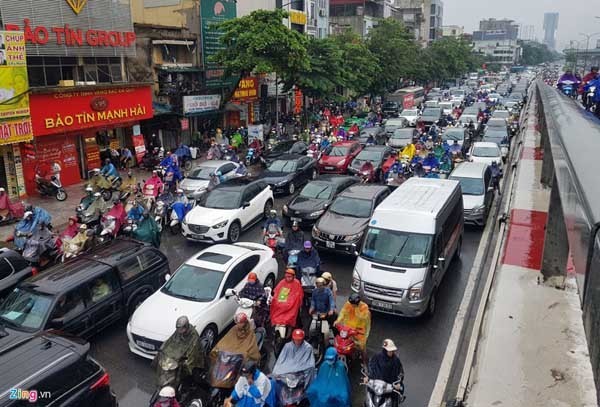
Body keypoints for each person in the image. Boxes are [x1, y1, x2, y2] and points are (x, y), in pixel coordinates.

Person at [210, 313, 260, 389]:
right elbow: (226, 340)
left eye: (240, 323)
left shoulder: (250, 332)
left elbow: (250, 346)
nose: (238, 325)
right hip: (231, 353)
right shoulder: (234, 328)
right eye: (237, 323)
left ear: (244, 322)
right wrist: (218, 348)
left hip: (240, 354)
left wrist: (244, 353)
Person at [155, 316, 206, 388]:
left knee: (188, 370)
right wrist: (163, 349)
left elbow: (193, 350)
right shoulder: (179, 331)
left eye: (181, 329)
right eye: (178, 329)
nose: (179, 331)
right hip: (181, 351)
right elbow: (171, 340)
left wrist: (185, 361)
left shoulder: (193, 335)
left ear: (186, 327)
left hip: (194, 354)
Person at [365, 339, 405, 406]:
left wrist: (398, 383)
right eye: (390, 351)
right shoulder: (376, 357)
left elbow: (400, 373)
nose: (392, 352)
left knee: (395, 399)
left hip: (390, 387)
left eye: (392, 351)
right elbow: (371, 367)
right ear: (385, 350)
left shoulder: (396, 360)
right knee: (368, 395)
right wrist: (367, 377)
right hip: (377, 386)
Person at [335, 293, 371, 364]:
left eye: (353, 304)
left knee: (361, 347)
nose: (351, 305)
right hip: (349, 328)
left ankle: (365, 363)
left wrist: (356, 308)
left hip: (360, 330)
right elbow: (343, 312)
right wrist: (338, 321)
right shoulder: (348, 304)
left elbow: (362, 317)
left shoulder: (364, 307)